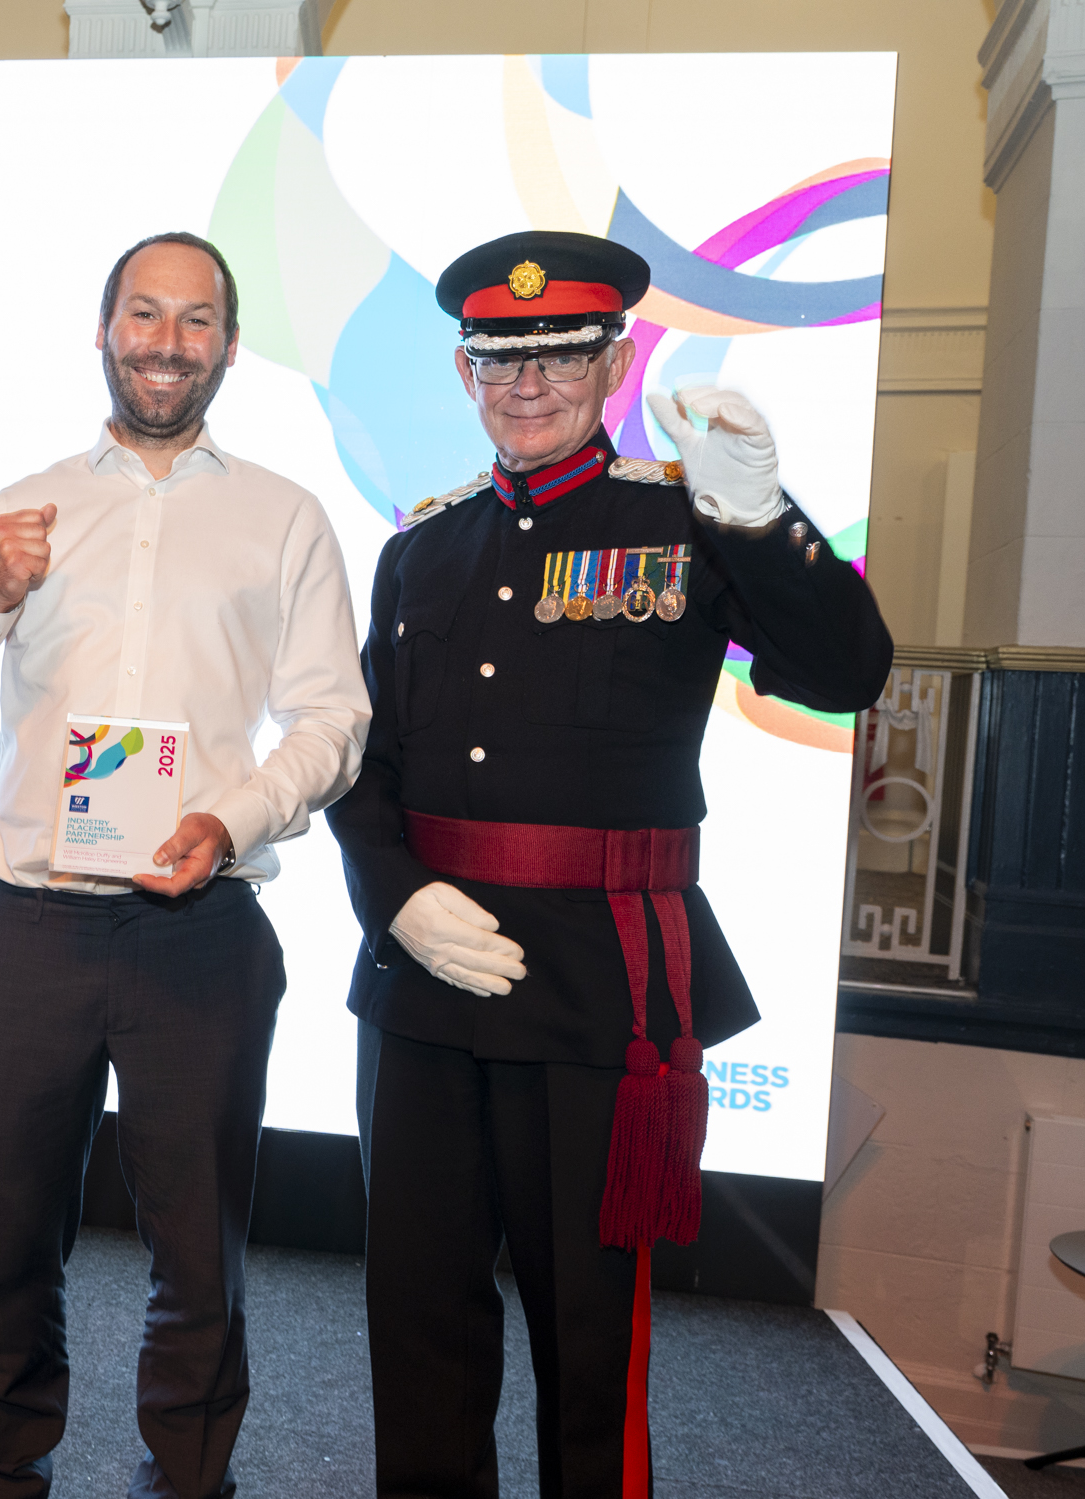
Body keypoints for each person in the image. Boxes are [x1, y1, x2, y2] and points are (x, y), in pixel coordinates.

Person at [329, 230, 893, 1498]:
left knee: (589, 1337)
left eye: (561, 358)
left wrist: (758, 511)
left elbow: (846, 671)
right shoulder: (423, 546)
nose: (528, 387)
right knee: (416, 1320)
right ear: (465, 372)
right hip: (422, 988)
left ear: (615, 360)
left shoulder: (683, 521)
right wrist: (396, 894)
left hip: (599, 992)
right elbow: (367, 760)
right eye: (498, 361)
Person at [0, 231, 371, 1499]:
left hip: (199, 933)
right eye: (144, 315)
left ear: (228, 343)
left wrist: (236, 817)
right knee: (9, 1248)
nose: (167, 341)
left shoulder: (285, 517)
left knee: (200, 1251)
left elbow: (333, 720)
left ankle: (188, 1476)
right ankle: (2, 1469)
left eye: (194, 320)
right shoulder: (25, 502)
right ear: (102, 331)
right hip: (28, 931)